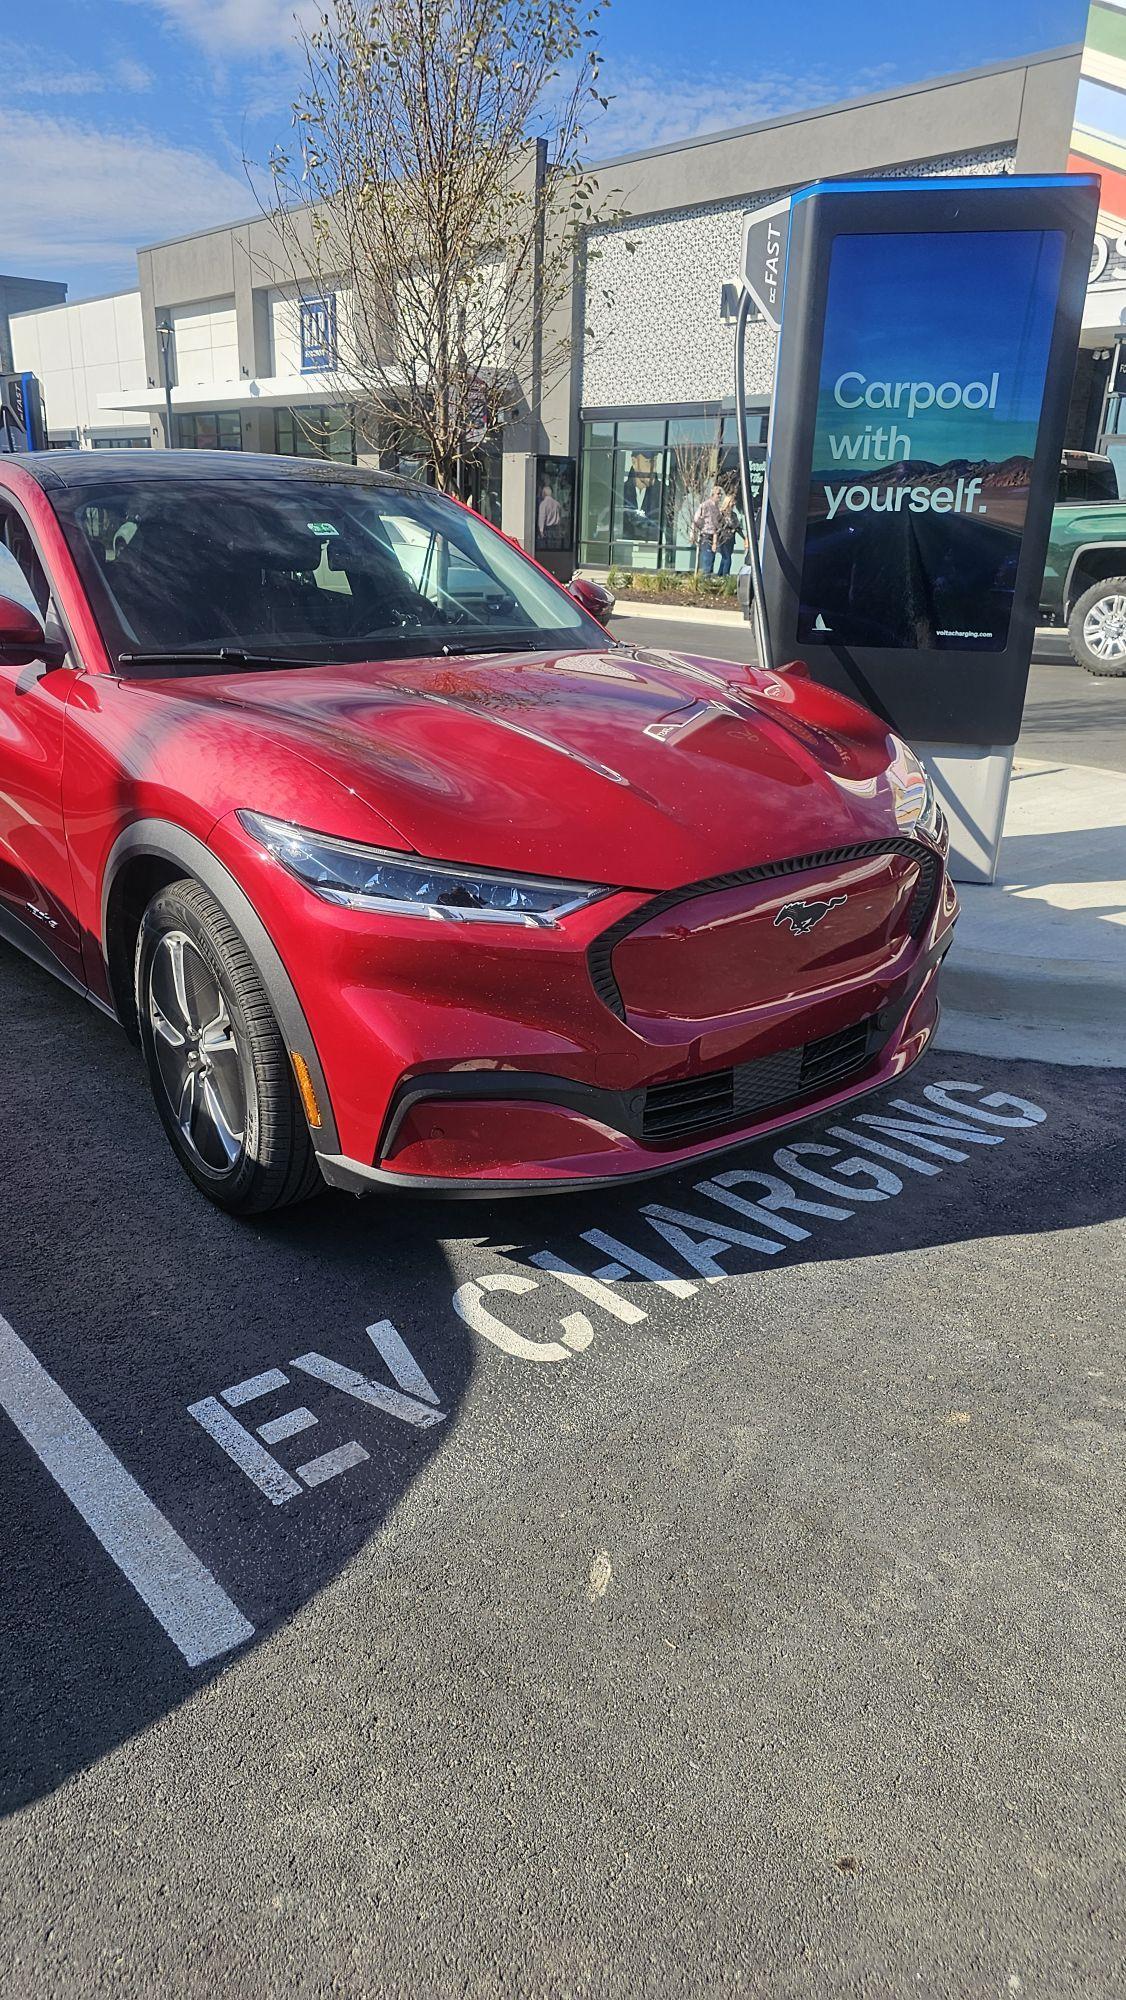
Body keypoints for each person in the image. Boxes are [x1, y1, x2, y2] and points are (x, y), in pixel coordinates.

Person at [622, 452, 661, 541]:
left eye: (654, 461)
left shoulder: (663, 493)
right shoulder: (620, 492)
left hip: (652, 550)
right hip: (624, 548)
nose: (653, 468)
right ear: (634, 462)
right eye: (648, 462)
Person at [691, 485, 724, 575]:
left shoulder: (717, 507)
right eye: (718, 494)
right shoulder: (705, 505)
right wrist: (698, 529)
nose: (720, 496)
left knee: (712, 558)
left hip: (714, 535)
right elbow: (696, 519)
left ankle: (708, 579)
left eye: (721, 494)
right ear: (712, 494)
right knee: (708, 558)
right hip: (706, 534)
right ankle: (706, 578)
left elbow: (717, 522)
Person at [714, 490, 744, 576]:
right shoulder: (721, 514)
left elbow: (738, 527)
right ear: (728, 502)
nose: (734, 504)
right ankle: (725, 575)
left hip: (731, 539)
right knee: (727, 558)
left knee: (725, 558)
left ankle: (719, 575)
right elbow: (717, 527)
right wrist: (715, 541)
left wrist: (745, 538)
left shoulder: (733, 514)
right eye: (732, 502)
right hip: (723, 538)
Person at [537, 475, 563, 550]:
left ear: (544, 493)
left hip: (547, 529)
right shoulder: (557, 503)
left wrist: (541, 530)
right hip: (555, 529)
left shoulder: (543, 504)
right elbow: (560, 516)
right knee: (554, 547)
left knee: (546, 547)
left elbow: (542, 517)